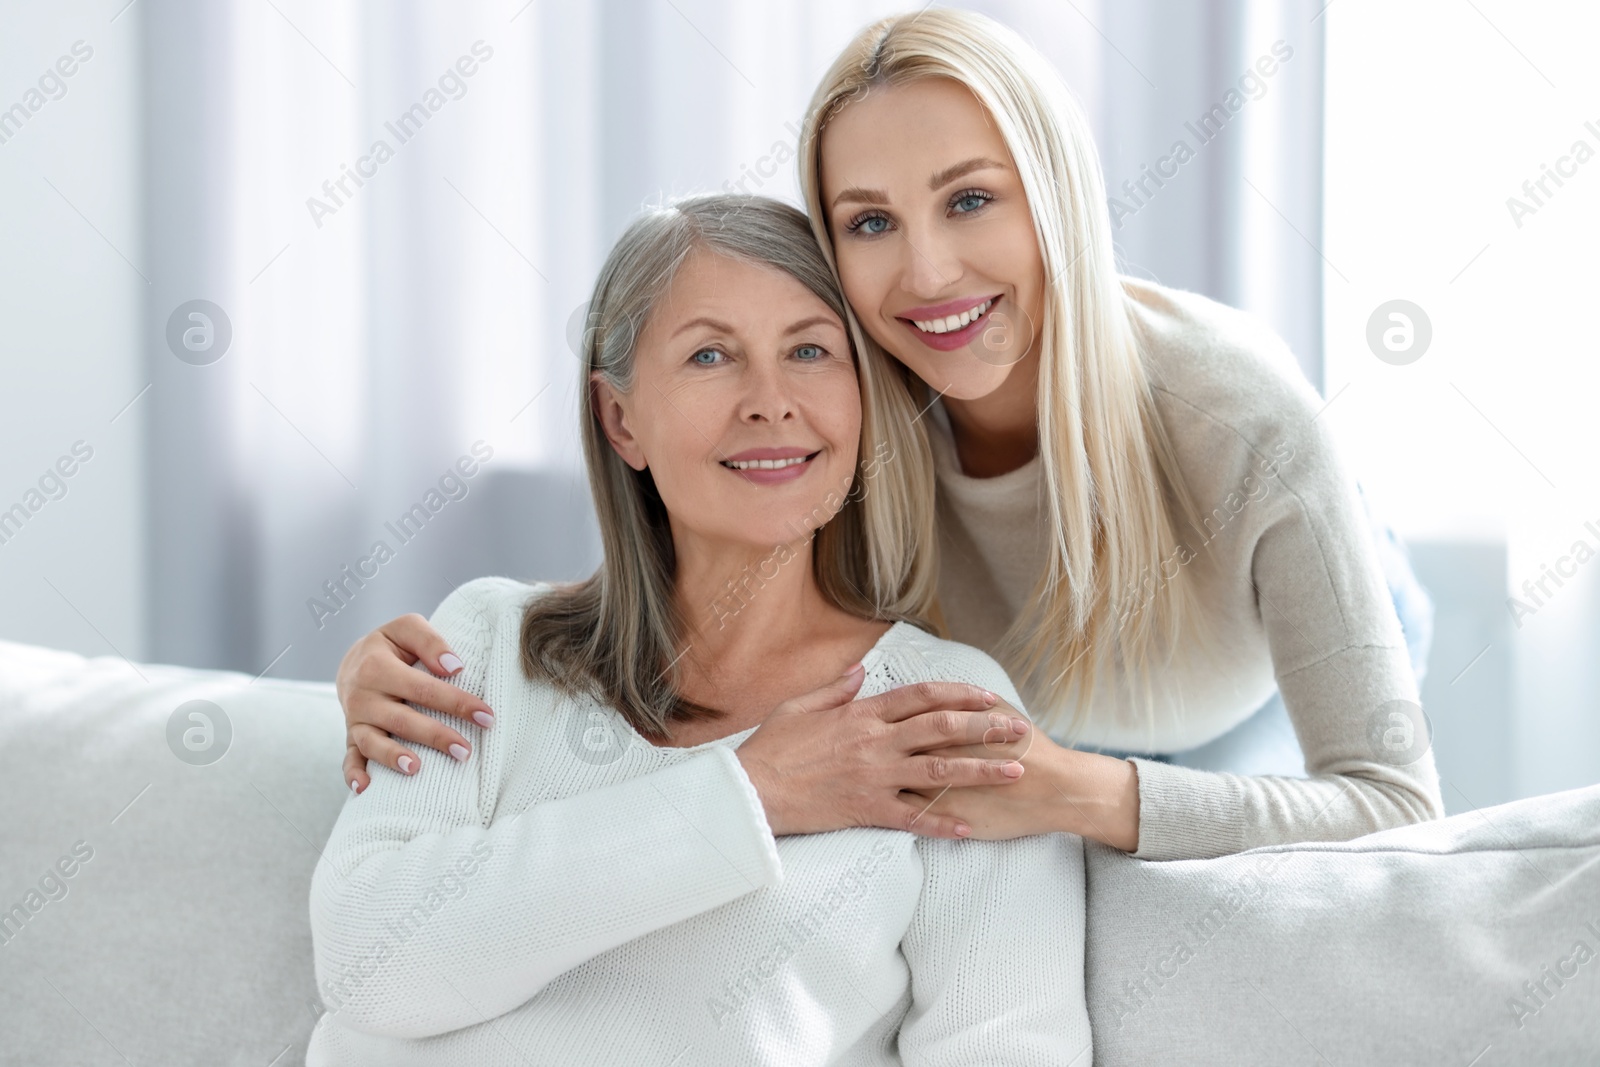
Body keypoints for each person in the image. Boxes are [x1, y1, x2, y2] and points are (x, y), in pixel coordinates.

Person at [332, 9, 1442, 862]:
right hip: (1048, 712)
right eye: (869, 222)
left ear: (1054, 195)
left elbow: (1395, 808)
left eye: (969, 200)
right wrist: (427, 664)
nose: (926, 275)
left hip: (1224, 693)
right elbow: (695, 584)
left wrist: (1084, 789)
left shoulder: (1241, 416)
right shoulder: (847, 400)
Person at [305, 194, 1091, 1064]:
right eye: (711, 355)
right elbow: (369, 962)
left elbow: (1009, 1044)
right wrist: (750, 794)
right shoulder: (486, 643)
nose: (771, 401)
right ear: (621, 420)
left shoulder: (939, 712)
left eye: (809, 350)